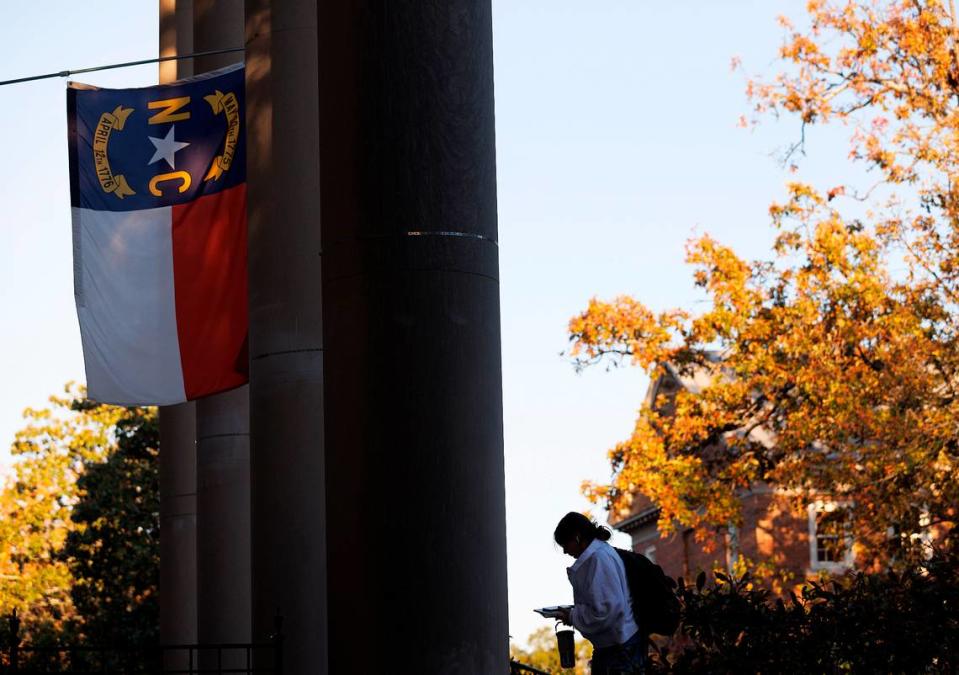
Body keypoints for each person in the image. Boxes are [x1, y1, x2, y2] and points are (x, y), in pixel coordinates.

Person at [554, 511, 645, 674]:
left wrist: (572, 616)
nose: (565, 551)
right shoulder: (601, 554)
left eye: (565, 544)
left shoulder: (598, 559)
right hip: (619, 645)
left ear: (576, 537)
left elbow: (604, 610)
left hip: (619, 648)